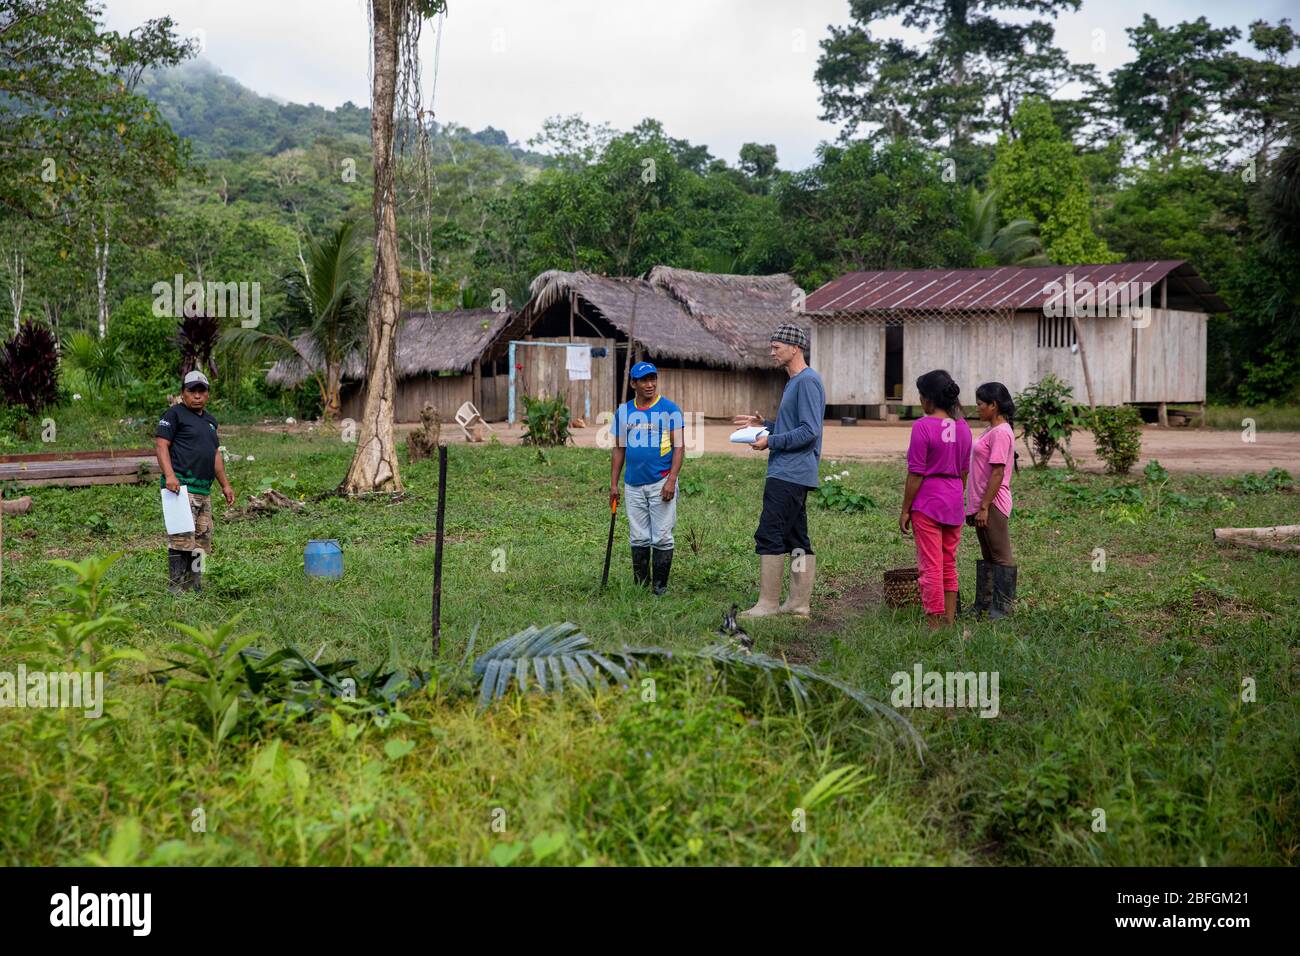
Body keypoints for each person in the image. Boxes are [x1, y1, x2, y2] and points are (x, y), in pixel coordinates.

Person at [732, 322, 825, 619]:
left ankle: (768, 603)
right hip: (792, 472)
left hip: (789, 473)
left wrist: (770, 441)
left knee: (770, 532)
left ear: (794, 348)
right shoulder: (795, 382)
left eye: (777, 347)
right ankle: (798, 602)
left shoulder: (807, 382)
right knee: (797, 538)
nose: (771, 351)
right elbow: (795, 427)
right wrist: (765, 425)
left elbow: (809, 431)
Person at [899, 370, 972, 629]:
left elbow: (916, 473)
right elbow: (964, 470)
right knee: (948, 563)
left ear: (928, 399)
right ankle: (949, 622)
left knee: (930, 566)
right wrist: (955, 495)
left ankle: (934, 625)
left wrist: (906, 509)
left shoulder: (922, 426)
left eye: (920, 395)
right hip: (953, 502)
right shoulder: (963, 426)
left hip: (928, 503)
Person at [155, 370, 234, 593]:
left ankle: (194, 585)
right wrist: (170, 475)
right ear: (183, 393)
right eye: (192, 391)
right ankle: (175, 587)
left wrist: (225, 484)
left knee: (202, 540)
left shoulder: (210, 421)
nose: (197, 395)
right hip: (180, 488)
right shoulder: (173, 415)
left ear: (207, 394)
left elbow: (215, 454)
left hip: (204, 489)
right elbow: (162, 446)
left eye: (202, 391)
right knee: (181, 538)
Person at [610, 362, 684, 595]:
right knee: (638, 536)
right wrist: (614, 483)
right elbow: (619, 449)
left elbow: (679, 447)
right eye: (644, 380)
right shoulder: (624, 412)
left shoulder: (669, 409)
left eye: (653, 379)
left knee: (661, 536)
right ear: (634, 384)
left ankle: (659, 589)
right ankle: (641, 588)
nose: (650, 384)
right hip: (632, 484)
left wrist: (671, 480)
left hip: (661, 482)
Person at [965, 382, 1017, 618]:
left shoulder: (1002, 433)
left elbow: (997, 472)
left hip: (993, 503)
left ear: (993, 405)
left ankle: (1001, 609)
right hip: (981, 503)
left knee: (1000, 556)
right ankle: (983, 605)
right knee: (988, 555)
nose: (977, 409)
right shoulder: (990, 430)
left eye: (980, 404)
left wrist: (985, 506)